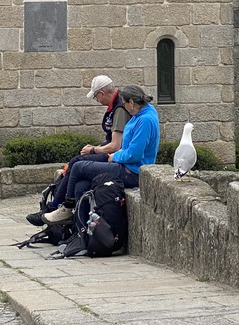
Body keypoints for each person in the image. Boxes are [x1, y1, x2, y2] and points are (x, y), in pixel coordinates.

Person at [43, 84, 160, 223]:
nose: (124, 107)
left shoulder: (145, 119)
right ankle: (80, 230)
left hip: (131, 171)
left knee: (78, 167)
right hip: (126, 165)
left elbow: (134, 154)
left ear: (132, 103)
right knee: (81, 186)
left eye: (124, 104)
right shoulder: (145, 112)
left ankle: (66, 209)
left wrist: (114, 156)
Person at [26, 75, 131, 226]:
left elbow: (115, 145)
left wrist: (93, 150)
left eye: (96, 97)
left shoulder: (119, 109)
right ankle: (73, 221)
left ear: (101, 93)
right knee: (80, 183)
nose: (97, 101)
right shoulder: (117, 105)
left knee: (77, 164)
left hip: (115, 157)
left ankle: (58, 207)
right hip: (112, 154)